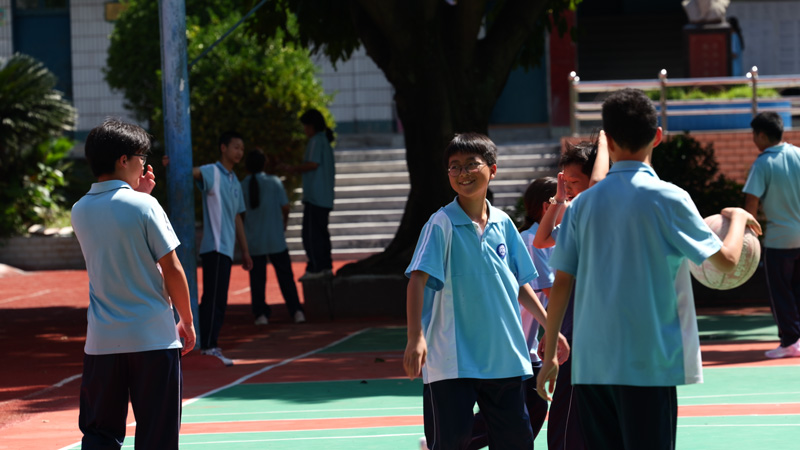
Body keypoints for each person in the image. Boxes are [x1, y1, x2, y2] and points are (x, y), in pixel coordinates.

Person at [537, 88, 761, 449]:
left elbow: (562, 282)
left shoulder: (582, 205)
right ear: (657, 136)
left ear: (605, 141)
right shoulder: (669, 198)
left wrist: (549, 357)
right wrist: (736, 218)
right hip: (649, 363)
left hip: (592, 365)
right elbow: (727, 261)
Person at [404, 132, 568, 450]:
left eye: (471, 164)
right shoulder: (441, 224)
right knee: (452, 442)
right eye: (454, 167)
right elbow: (417, 280)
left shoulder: (504, 223)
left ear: (492, 169)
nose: (463, 173)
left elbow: (519, 283)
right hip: (452, 360)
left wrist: (550, 324)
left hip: (503, 358)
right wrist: (416, 336)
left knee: (516, 441)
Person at [71, 119, 196, 449]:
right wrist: (186, 319)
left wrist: (137, 195)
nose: (144, 164)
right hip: (152, 336)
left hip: (102, 341)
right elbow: (171, 268)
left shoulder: (79, 210)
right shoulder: (146, 205)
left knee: (99, 432)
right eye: (141, 157)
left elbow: (115, 225)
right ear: (122, 160)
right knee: (157, 432)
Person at [533, 133, 610, 450]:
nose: (569, 185)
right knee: (568, 404)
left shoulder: (598, 208)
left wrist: (605, 142)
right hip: (571, 325)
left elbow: (597, 185)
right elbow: (542, 239)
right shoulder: (577, 216)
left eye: (574, 180)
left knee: (578, 407)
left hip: (588, 328)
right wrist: (559, 197)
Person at [193, 131, 253, 366]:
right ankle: (208, 345)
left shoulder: (233, 180)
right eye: (236, 146)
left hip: (227, 249)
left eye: (242, 148)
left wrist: (245, 251)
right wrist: (172, 164)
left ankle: (210, 343)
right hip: (215, 247)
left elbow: (238, 217)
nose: (239, 152)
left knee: (219, 299)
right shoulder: (213, 172)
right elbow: (192, 173)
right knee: (213, 298)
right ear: (223, 148)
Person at [743, 111, 800, 358]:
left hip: (779, 241)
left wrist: (746, 237)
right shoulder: (798, 154)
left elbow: (751, 206)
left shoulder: (763, 163)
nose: (753, 140)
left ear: (763, 135)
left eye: (754, 135)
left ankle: (790, 341)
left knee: (781, 293)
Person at [241, 149, 306, 325]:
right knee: (286, 277)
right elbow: (285, 207)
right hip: (275, 238)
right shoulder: (274, 182)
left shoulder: (242, 185)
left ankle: (260, 314)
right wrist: (283, 223)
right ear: (265, 164)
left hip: (254, 240)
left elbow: (241, 214)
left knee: (257, 279)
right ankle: (296, 311)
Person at [284, 109, 336, 280]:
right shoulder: (325, 142)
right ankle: (325, 265)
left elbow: (312, 164)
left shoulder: (316, 141)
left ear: (311, 126)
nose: (305, 131)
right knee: (320, 232)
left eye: (306, 127)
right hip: (324, 197)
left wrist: (293, 169)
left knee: (311, 235)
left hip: (316, 196)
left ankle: (316, 266)